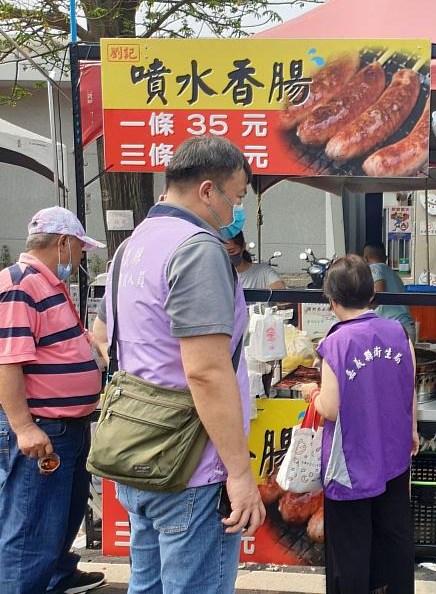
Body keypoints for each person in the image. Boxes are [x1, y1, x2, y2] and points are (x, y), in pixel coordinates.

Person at [97, 135, 265, 592]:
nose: (236, 211)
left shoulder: (130, 248)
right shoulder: (197, 248)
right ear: (207, 191)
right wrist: (239, 473)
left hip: (136, 452)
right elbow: (206, 371)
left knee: (147, 585)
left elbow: (101, 336)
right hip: (191, 466)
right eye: (237, 197)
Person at [0, 207, 106, 593]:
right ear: (63, 243)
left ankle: (60, 574)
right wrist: (23, 426)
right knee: (31, 528)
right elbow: (7, 361)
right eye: (78, 250)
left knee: (62, 514)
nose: (79, 259)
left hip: (68, 426)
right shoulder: (19, 285)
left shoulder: (47, 283)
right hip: (42, 427)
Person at [309, 254, 418, 594]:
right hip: (394, 457)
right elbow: (409, 383)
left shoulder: (334, 344)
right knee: (395, 539)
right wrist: (412, 431)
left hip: (351, 463)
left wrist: (310, 393)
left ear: (331, 300)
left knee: (351, 551)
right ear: (373, 295)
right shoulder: (398, 332)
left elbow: (329, 408)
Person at [362, 242, 416, 342]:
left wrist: (361, 311)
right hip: (406, 327)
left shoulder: (374, 268)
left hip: (394, 330)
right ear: (385, 258)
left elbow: (379, 294)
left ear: (365, 258)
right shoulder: (394, 274)